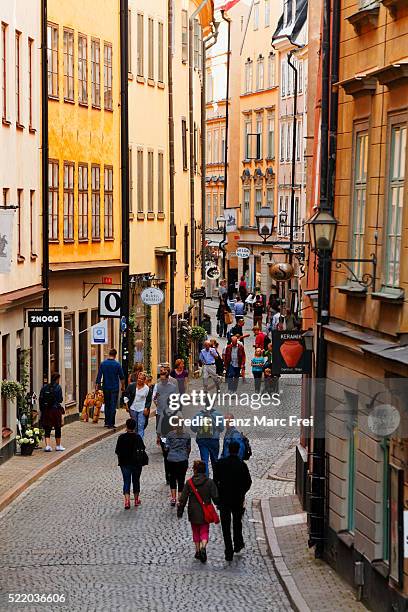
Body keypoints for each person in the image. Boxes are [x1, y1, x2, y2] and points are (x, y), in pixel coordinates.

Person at [214, 441, 252, 562]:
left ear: (229, 450)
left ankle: (228, 550)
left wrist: (218, 495)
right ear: (237, 450)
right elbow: (248, 482)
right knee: (237, 522)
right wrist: (242, 493)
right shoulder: (242, 465)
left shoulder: (221, 464)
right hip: (237, 498)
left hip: (224, 499)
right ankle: (237, 544)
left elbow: (215, 481)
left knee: (225, 526)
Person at [177, 459, 219, 563]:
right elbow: (215, 497)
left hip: (193, 511)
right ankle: (203, 547)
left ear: (195, 470)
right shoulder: (209, 482)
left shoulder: (189, 483)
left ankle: (197, 551)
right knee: (204, 531)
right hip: (205, 512)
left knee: (195, 531)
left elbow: (183, 498)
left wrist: (180, 510)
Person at [115, 418, 147, 509]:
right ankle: (136, 500)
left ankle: (127, 501)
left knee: (126, 481)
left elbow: (117, 451)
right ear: (134, 427)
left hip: (124, 463)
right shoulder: (138, 437)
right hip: (136, 463)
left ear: (126, 426)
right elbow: (142, 449)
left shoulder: (121, 437)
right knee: (136, 480)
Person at [153, 367, 177, 484]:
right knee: (165, 453)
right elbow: (154, 397)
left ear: (167, 378)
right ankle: (168, 474)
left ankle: (172, 473)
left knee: (171, 450)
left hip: (170, 415)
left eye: (163, 379)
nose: (161, 381)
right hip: (160, 414)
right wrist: (157, 403)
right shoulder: (157, 386)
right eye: (160, 379)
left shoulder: (172, 387)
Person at [191, 402, 224, 476]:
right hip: (214, 440)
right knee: (215, 460)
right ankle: (216, 479)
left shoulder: (198, 415)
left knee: (204, 460)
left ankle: (205, 480)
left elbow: (193, 428)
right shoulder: (218, 415)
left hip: (202, 440)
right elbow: (221, 428)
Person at [95, 348, 125, 429]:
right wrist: (123, 387)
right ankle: (111, 423)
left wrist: (97, 387)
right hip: (114, 387)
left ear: (109, 354)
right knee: (113, 405)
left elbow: (99, 376)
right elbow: (122, 377)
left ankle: (106, 422)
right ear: (115, 355)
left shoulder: (103, 364)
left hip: (106, 387)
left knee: (107, 404)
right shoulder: (117, 364)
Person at [165, 416, 191, 506]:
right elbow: (188, 448)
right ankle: (180, 498)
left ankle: (173, 498)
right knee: (181, 478)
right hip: (182, 459)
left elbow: (166, 447)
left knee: (172, 478)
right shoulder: (187, 435)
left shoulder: (170, 435)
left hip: (171, 459)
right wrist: (186, 455)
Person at [39, 372, 65, 452]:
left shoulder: (45, 387)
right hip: (56, 409)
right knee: (57, 427)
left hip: (47, 410)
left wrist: (42, 409)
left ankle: (47, 446)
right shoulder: (58, 387)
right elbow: (60, 399)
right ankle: (58, 445)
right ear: (57, 379)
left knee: (47, 427)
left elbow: (41, 398)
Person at [124, 372, 150, 438]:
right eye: (139, 378)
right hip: (133, 408)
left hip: (142, 409)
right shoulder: (131, 386)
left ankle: (139, 442)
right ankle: (134, 441)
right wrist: (127, 406)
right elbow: (126, 395)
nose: (140, 380)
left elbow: (148, 400)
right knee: (134, 426)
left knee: (141, 426)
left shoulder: (147, 389)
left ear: (144, 380)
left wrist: (146, 408)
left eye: (142, 379)